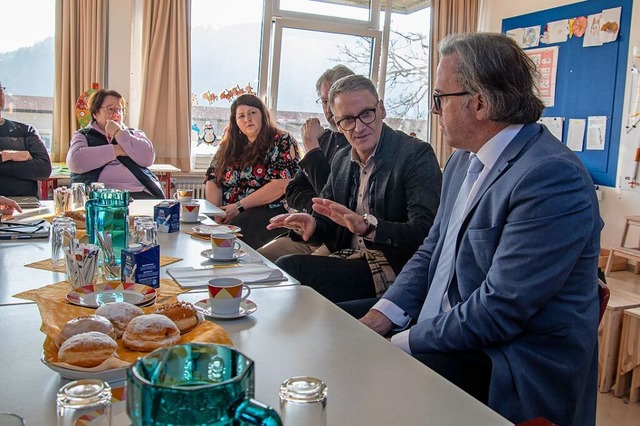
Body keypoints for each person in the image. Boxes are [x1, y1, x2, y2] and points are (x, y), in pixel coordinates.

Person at [358, 33, 601, 426]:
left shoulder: (551, 177)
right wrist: (382, 317)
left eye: (440, 98)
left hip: (510, 359)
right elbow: (432, 249)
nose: (435, 111)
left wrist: (402, 341)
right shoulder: (460, 162)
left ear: (480, 103)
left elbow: (500, 309)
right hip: (450, 325)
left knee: (370, 386)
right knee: (339, 328)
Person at [267, 75, 442, 303]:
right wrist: (312, 227)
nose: (359, 128)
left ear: (381, 109)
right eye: (348, 120)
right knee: (280, 274)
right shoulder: (341, 159)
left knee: (291, 269)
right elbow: (328, 224)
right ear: (337, 124)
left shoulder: (415, 154)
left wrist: (368, 228)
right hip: (348, 257)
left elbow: (425, 232)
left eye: (366, 114)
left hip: (394, 264)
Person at [258, 64, 354, 261]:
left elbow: (336, 199)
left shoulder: (357, 141)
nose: (328, 110)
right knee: (256, 260)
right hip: (310, 230)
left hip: (335, 240)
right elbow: (293, 190)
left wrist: (311, 146)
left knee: (287, 268)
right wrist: (316, 209)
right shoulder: (326, 139)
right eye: (324, 101)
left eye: (333, 101)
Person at [204, 94, 300, 249]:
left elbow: (281, 185)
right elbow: (213, 179)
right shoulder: (229, 144)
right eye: (241, 116)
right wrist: (215, 214)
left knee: (237, 228)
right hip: (229, 210)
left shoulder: (281, 140)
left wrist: (238, 207)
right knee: (203, 228)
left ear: (262, 114)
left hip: (268, 209)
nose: (247, 119)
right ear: (235, 121)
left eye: (252, 113)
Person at [66, 89, 164, 199]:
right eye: (110, 109)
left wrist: (119, 133)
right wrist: (117, 150)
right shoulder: (83, 135)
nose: (116, 114)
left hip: (140, 192)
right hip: (99, 196)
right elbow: (75, 161)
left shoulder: (134, 133)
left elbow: (148, 158)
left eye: (120, 109)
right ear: (95, 114)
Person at [0, 81, 52, 198]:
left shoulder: (26, 130)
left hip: (27, 206)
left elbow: (44, 169)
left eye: (0, 89)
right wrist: (7, 156)